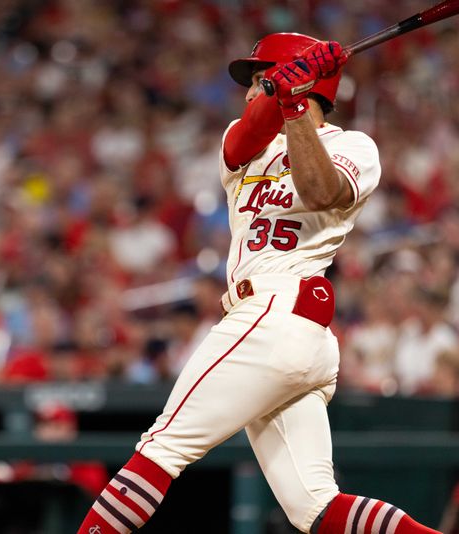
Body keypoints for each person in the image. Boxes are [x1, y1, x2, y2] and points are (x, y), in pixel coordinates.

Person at [77, 33, 440, 533]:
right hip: (277, 326)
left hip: (281, 312)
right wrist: (283, 95)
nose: (249, 90)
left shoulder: (355, 146)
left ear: (308, 84)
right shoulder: (244, 143)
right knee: (314, 508)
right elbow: (245, 135)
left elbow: (319, 192)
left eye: (258, 77)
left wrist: (292, 103)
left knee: (162, 447)